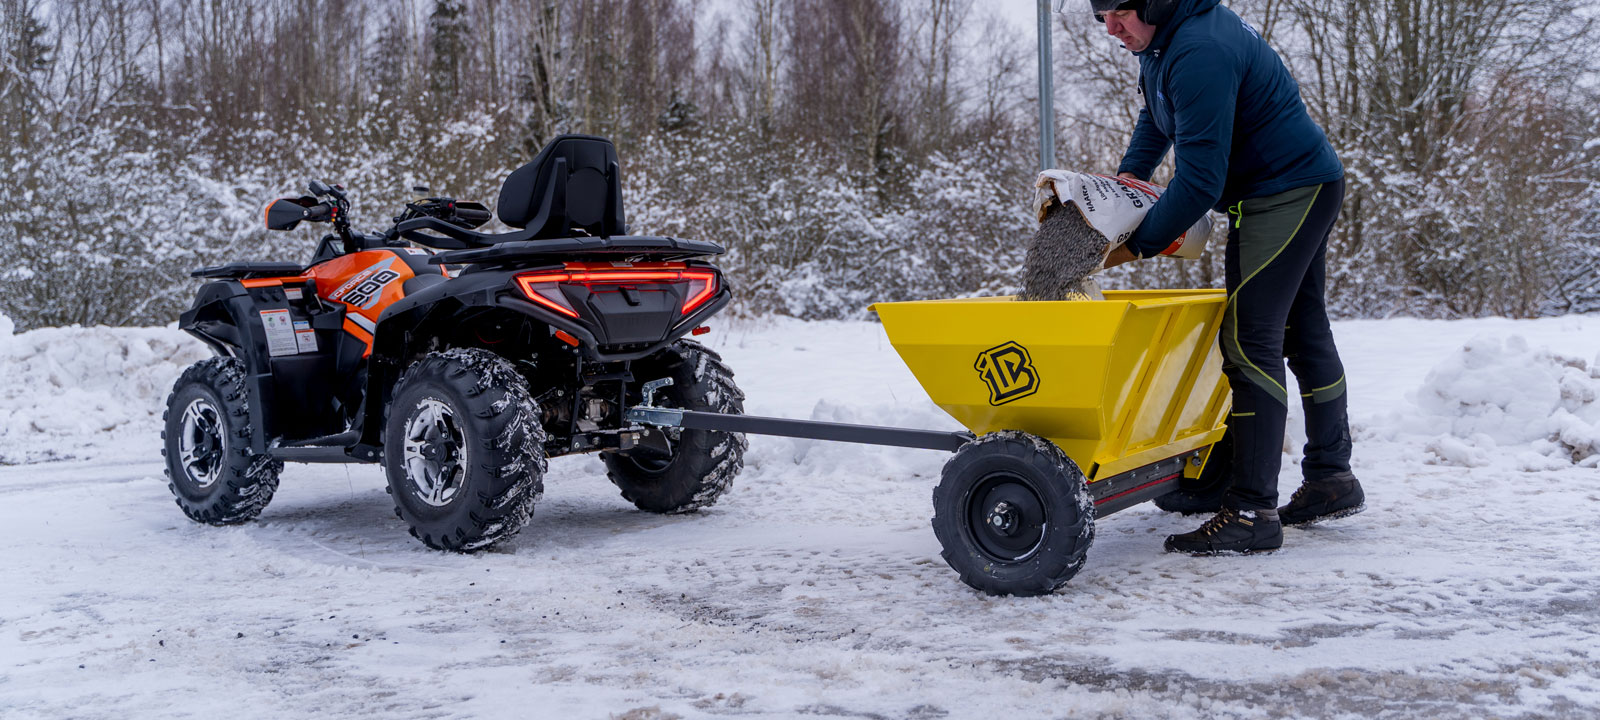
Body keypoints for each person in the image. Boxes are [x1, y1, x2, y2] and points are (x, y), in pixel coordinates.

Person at [1086, 0, 1366, 554]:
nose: (1112, 29)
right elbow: (1158, 114)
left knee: (1248, 339)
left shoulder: (1199, 50)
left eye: (1120, 13)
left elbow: (1200, 184)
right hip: (1297, 185)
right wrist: (1130, 177)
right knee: (1303, 333)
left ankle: (1250, 511)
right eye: (1101, 18)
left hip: (1284, 192)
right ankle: (1332, 479)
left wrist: (1135, 244)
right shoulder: (1161, 40)